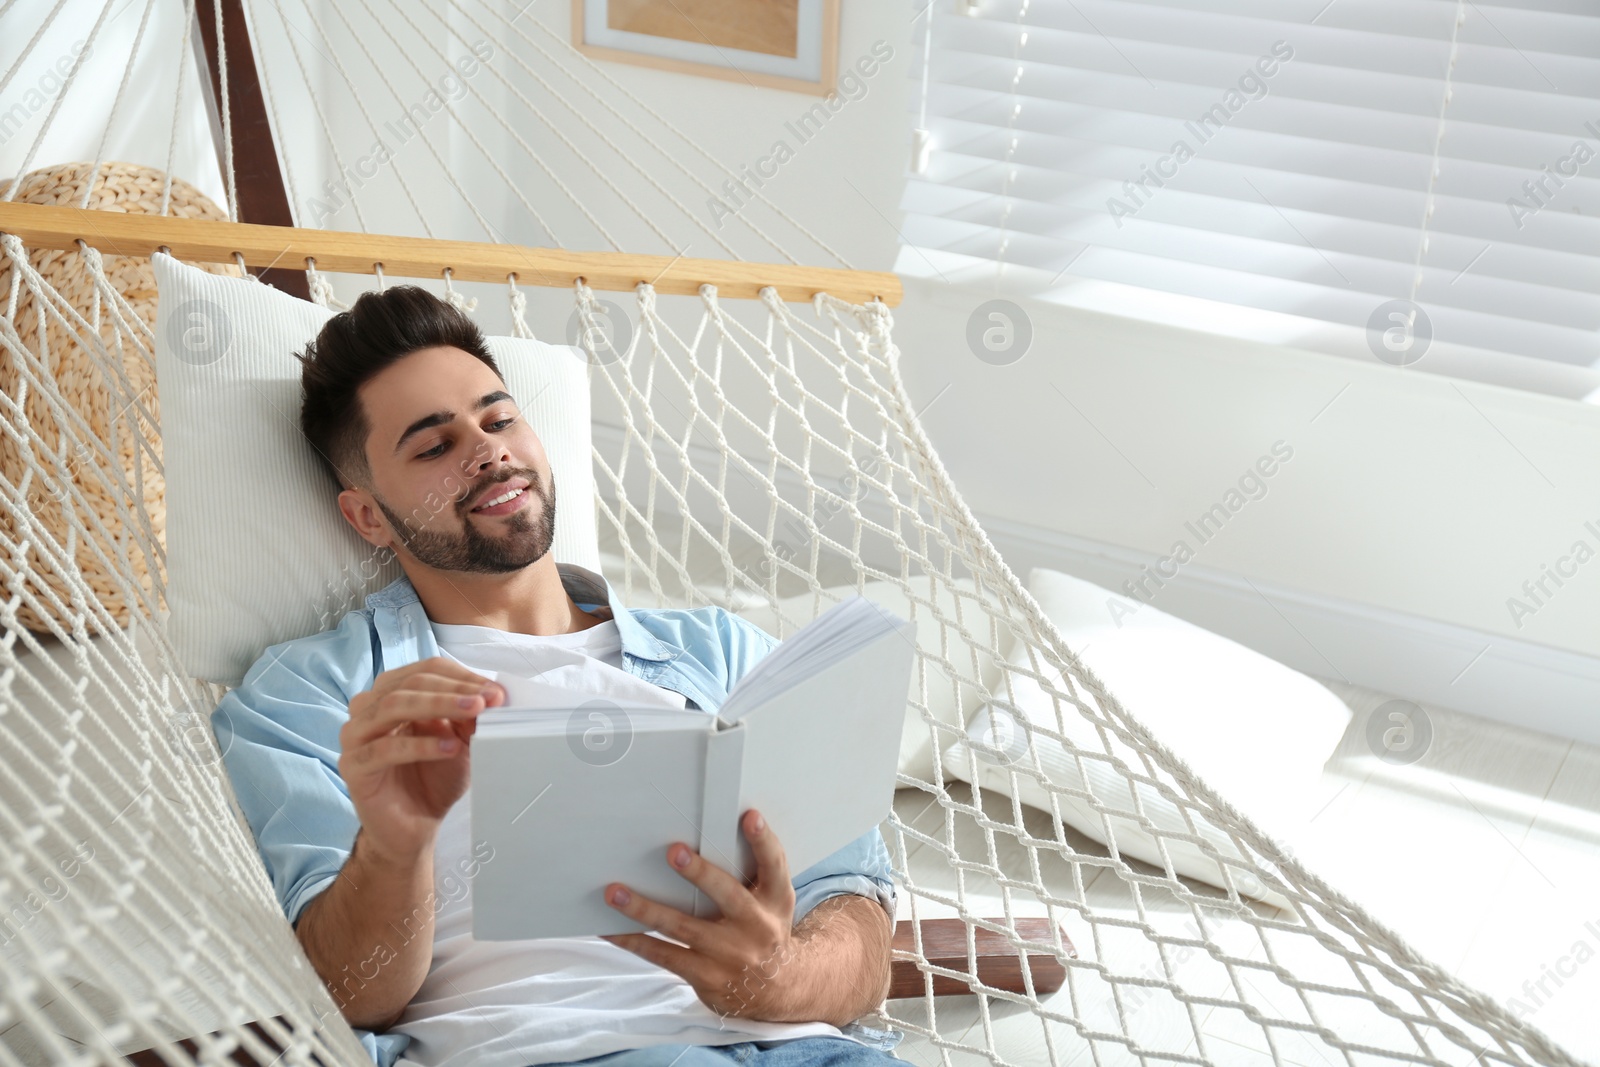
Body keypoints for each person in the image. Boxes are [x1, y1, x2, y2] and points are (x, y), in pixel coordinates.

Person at [211, 286, 903, 1067]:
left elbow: (860, 930)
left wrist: (774, 979)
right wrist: (394, 847)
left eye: (499, 418)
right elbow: (349, 994)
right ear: (368, 516)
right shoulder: (317, 696)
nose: (487, 448)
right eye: (433, 447)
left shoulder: (724, 654)